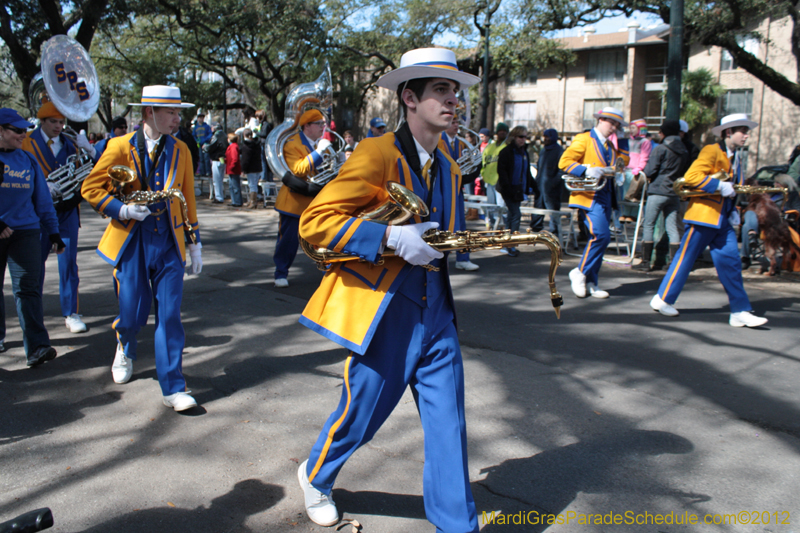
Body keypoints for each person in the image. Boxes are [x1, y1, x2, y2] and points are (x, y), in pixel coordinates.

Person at [295, 47, 481, 532]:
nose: (453, 100)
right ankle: (315, 476)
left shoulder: (451, 165)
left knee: (449, 427)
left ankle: (457, 524)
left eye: (455, 91)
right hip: (385, 310)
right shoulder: (376, 152)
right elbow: (315, 221)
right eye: (441, 90)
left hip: (438, 313)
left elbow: (445, 237)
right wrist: (392, 238)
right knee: (362, 413)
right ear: (409, 98)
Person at [81, 85, 203, 410]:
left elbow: (188, 197)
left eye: (178, 112)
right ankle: (124, 343)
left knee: (170, 315)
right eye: (171, 112)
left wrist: (195, 242)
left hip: (169, 241)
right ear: (149, 112)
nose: (177, 119)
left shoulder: (181, 149)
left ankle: (173, 388)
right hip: (132, 240)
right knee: (131, 311)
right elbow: (91, 188)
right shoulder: (120, 146)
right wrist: (121, 209)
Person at [649, 113, 768, 328]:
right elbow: (692, 177)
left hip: (722, 220)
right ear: (729, 132)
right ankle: (663, 298)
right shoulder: (711, 150)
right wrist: (719, 186)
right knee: (685, 260)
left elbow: (732, 188)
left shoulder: (736, 157)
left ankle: (739, 311)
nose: (746, 136)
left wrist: (732, 208)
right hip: (702, 217)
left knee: (731, 264)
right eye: (743, 131)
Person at [22, 101, 95, 334]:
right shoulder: (26, 142)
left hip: (67, 211)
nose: (58, 126)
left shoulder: (71, 143)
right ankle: (34, 315)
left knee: (69, 262)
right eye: (53, 121)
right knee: (35, 265)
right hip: (37, 214)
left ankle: (71, 312)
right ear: (42, 121)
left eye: (61, 122)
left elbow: (85, 172)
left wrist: (89, 151)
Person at [0, 108, 65, 365]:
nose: (23, 134)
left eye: (25, 130)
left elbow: (43, 201)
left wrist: (54, 232)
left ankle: (37, 347)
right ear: (1, 130)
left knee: (28, 289)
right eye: (17, 130)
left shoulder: (27, 160)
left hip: (26, 231)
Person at [559, 107, 630, 299]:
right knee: (601, 235)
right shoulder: (584, 139)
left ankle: (591, 281)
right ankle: (580, 273)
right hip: (588, 195)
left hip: (606, 195)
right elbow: (564, 161)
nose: (614, 128)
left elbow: (622, 163)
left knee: (602, 238)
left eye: (617, 125)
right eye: (611, 123)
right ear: (600, 120)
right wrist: (585, 170)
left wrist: (623, 140)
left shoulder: (611, 146)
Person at [272, 108, 329, 288]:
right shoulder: (292, 144)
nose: (322, 127)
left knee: (323, 240)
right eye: (319, 124)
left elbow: (328, 168)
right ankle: (281, 272)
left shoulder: (320, 143)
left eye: (323, 124)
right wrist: (319, 152)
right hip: (294, 203)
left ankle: (328, 273)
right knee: (288, 242)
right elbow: (298, 169)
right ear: (307, 126)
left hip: (316, 202)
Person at [635, 120, 689, 272]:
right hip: (674, 192)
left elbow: (650, 170)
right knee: (672, 227)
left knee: (649, 224)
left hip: (658, 190)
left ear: (664, 132)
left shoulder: (660, 148)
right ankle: (673, 263)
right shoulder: (684, 150)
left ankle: (646, 262)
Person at [440, 115, 480, 270]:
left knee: (461, 224)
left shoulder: (462, 143)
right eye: (452, 122)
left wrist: (473, 171)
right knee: (442, 225)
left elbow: (470, 163)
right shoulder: (437, 140)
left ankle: (462, 259)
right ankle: (438, 260)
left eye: (457, 122)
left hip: (456, 188)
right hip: (441, 189)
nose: (456, 125)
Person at [497, 125, 535, 257]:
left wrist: (534, 186)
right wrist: (507, 188)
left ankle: (506, 243)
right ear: (514, 137)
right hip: (508, 189)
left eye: (525, 137)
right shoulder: (507, 152)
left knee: (511, 216)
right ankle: (511, 245)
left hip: (519, 189)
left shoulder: (524, 152)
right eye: (520, 137)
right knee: (516, 215)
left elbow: (527, 172)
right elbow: (502, 172)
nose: (523, 139)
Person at [618, 118, 652, 225]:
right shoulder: (628, 141)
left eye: (633, 128)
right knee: (625, 193)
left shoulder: (645, 142)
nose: (631, 130)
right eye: (630, 128)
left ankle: (633, 214)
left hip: (636, 172)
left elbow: (645, 157)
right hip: (626, 170)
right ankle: (625, 213)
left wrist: (640, 167)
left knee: (634, 193)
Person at [536, 128, 565, 237]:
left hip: (552, 189)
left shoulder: (559, 151)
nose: (546, 139)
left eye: (548, 136)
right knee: (538, 209)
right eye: (545, 137)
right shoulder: (543, 150)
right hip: (540, 186)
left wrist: (553, 183)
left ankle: (554, 233)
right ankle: (536, 229)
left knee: (553, 212)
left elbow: (562, 170)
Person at [479, 122, 508, 229]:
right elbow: (483, 162)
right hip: (489, 181)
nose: (502, 133)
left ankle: (502, 227)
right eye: (500, 131)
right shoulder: (489, 147)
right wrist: (483, 174)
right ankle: (492, 226)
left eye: (504, 131)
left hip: (501, 182)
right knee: (490, 205)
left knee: (501, 206)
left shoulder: (507, 147)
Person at [205, 123, 228, 204]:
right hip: (223, 158)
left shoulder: (216, 136)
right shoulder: (225, 135)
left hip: (216, 158)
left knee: (216, 180)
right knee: (220, 179)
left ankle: (219, 197)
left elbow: (211, 146)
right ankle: (221, 196)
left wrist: (205, 148)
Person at [240, 128, 262, 208]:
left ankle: (253, 202)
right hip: (258, 167)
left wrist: (243, 169)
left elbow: (245, 159)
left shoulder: (246, 146)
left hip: (251, 168)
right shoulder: (257, 144)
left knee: (252, 185)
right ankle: (252, 201)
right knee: (254, 184)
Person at [255, 110, 273, 195]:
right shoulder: (262, 124)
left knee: (264, 162)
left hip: (264, 145)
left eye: (257, 117)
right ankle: (268, 192)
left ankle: (263, 176)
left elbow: (264, 133)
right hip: (262, 144)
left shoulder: (266, 125)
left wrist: (256, 132)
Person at [225, 132, 243, 207]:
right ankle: (234, 201)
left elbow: (235, 159)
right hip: (231, 169)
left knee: (235, 186)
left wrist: (231, 167)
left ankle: (237, 201)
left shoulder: (234, 147)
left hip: (233, 169)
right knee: (231, 186)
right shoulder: (232, 146)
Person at [193, 112, 213, 177]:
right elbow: (193, 135)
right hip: (199, 145)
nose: (201, 119)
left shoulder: (206, 126)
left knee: (206, 158)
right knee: (201, 158)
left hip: (205, 144)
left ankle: (208, 171)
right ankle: (202, 172)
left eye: (202, 118)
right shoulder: (196, 127)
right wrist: (196, 141)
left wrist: (205, 140)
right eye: (199, 118)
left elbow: (210, 134)